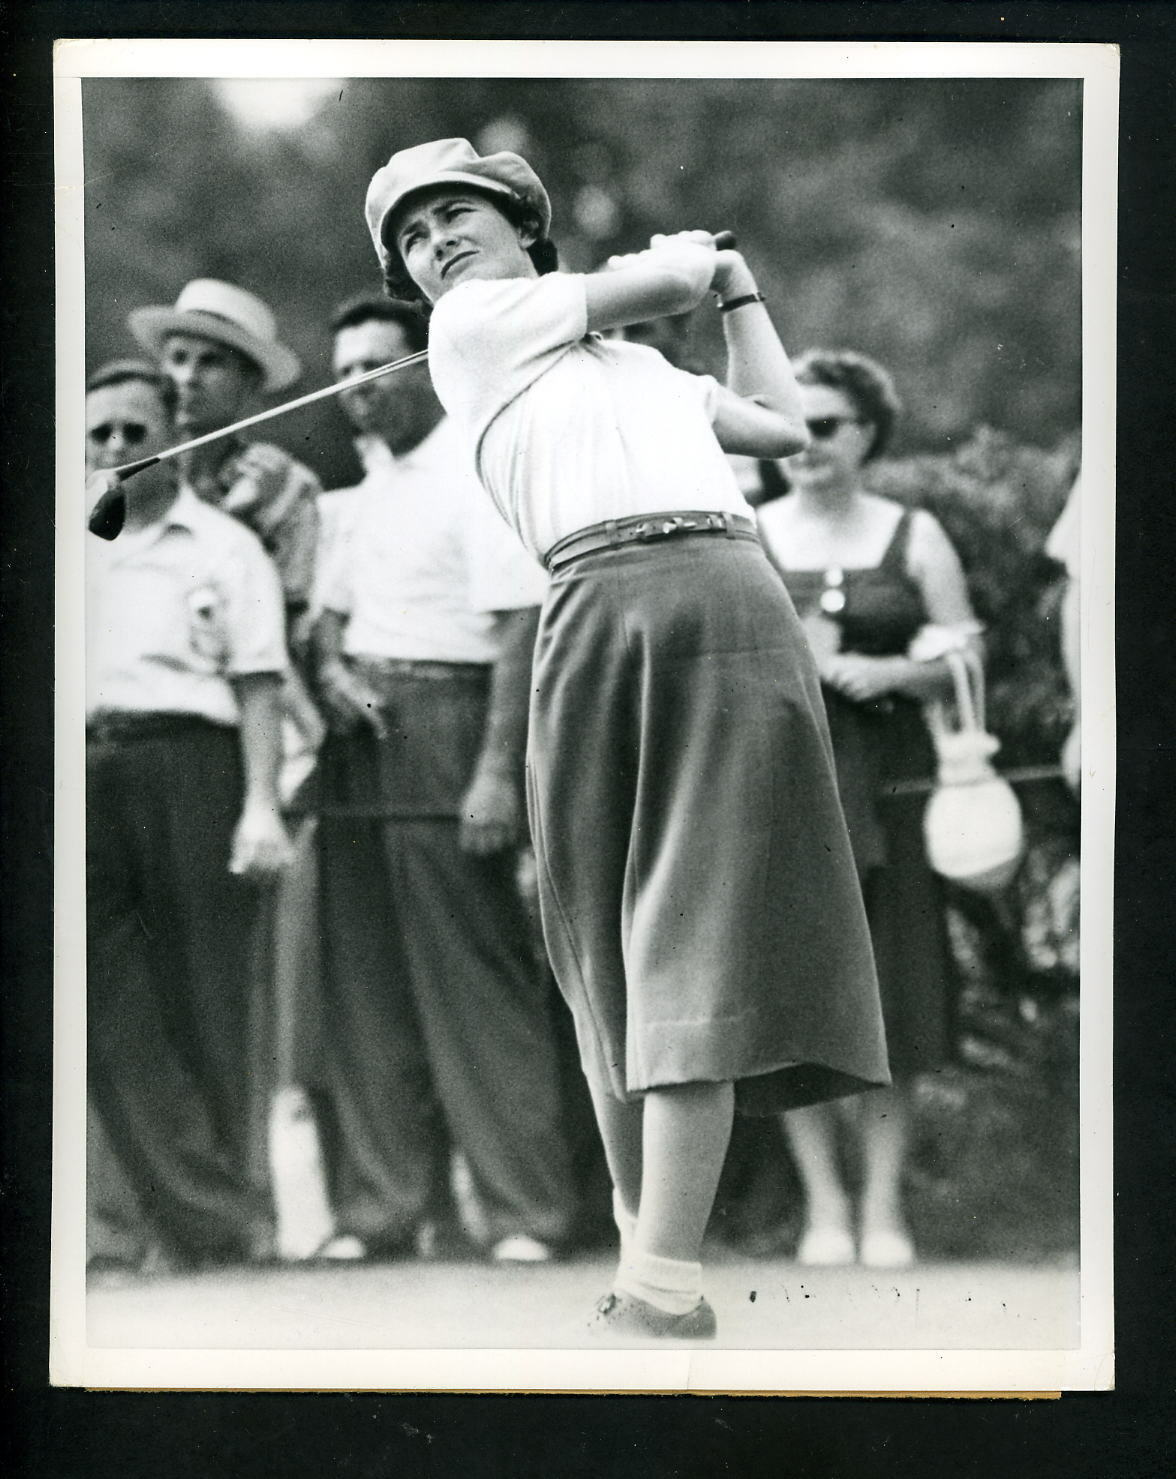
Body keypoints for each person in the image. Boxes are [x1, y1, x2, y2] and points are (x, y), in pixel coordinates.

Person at [364, 137, 889, 1340]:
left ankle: (661, 1282)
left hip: (722, 592)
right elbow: (656, 283)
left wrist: (739, 289)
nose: (436, 242)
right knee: (598, 946)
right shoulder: (478, 327)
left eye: (459, 215)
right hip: (593, 604)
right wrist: (687, 263)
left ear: (521, 228)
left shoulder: (640, 372)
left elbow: (782, 428)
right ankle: (641, 1237)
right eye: (413, 236)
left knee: (682, 929)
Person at [309, 295, 575, 1264]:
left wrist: (497, 775)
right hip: (360, 731)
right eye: (344, 371)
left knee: (475, 974)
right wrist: (333, 674)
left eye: (376, 366)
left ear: (426, 367)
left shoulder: (476, 464)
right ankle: (383, 1212)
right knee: (366, 980)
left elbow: (518, 630)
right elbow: (329, 618)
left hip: (450, 721)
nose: (357, 389)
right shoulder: (368, 486)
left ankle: (525, 1214)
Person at [756, 349, 981, 1269]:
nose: (807, 445)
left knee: (891, 1002)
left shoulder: (914, 533)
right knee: (794, 1008)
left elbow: (966, 659)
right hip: (779, 797)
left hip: (887, 792)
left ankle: (885, 1207)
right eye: (791, 426)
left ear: (869, 432)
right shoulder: (748, 529)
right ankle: (824, 1208)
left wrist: (893, 669)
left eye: (829, 425)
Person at [84, 360, 292, 1268]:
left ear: (174, 437)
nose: (119, 448)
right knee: (103, 1002)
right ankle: (180, 1220)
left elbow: (257, 684)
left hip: (194, 767)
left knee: (209, 994)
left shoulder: (221, 544)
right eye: (102, 434)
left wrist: (260, 805)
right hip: (90, 768)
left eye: (137, 431)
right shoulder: (70, 541)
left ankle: (230, 1228)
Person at [127, 278, 321, 637]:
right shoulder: (123, 467)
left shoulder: (289, 486)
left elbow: (289, 616)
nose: (188, 377)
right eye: (178, 358)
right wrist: (232, 515)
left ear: (250, 383)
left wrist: (258, 515)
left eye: (212, 362)